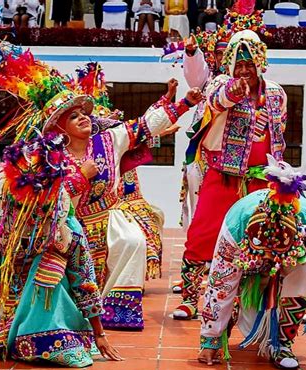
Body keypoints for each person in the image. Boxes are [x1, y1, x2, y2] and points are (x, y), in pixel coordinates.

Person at [43, 74, 202, 330]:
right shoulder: (52, 157)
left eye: (83, 113)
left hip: (110, 213)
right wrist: (80, 177)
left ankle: (115, 310)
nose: (83, 117)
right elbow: (52, 199)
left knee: (133, 240)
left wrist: (183, 103)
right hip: (70, 222)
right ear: (60, 128)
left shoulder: (108, 140)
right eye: (73, 116)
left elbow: (145, 125)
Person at [0, 135, 122, 367]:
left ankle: (49, 333)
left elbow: (83, 277)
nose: (33, 212)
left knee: (49, 275)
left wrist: (99, 334)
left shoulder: (65, 226)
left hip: (53, 297)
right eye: (22, 204)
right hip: (9, 303)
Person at [197, 155, 306, 370]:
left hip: (291, 272)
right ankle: (230, 323)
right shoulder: (237, 223)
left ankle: (282, 343)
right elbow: (220, 282)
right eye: (266, 252)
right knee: (227, 280)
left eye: (278, 252)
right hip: (248, 273)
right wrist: (210, 338)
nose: (272, 259)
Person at [173, 29, 288, 320]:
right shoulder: (221, 83)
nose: (245, 70)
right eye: (239, 63)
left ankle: (249, 301)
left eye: (250, 64)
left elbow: (280, 134)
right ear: (230, 64)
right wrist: (232, 92)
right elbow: (215, 102)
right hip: (224, 175)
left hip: (262, 180)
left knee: (262, 239)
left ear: (261, 62)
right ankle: (189, 298)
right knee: (201, 235)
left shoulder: (276, 93)